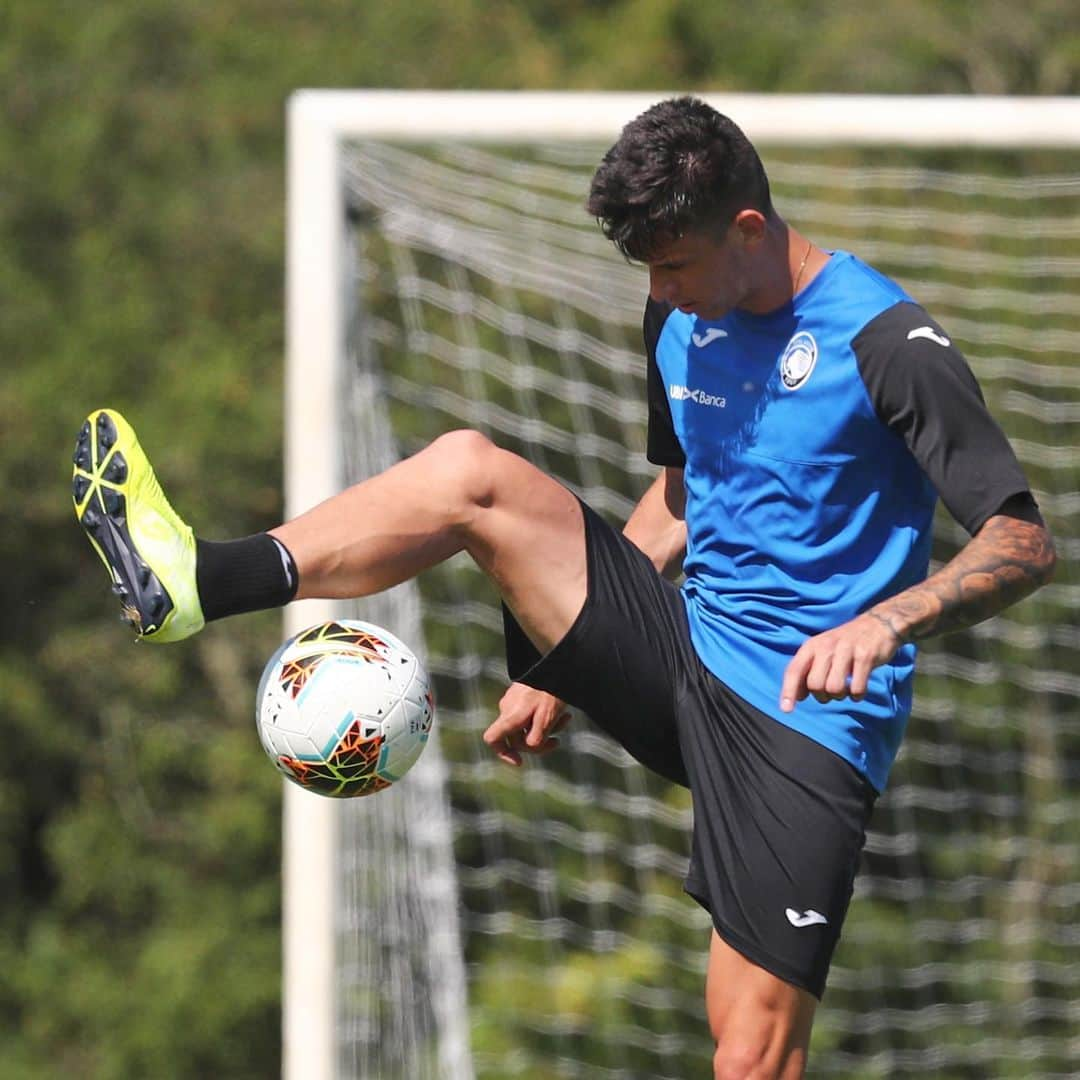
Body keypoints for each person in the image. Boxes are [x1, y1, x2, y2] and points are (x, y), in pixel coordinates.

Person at [72, 97, 1056, 1079]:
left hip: (804, 718)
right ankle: (198, 580)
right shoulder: (677, 314)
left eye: (676, 264)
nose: (661, 288)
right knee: (469, 474)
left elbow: (1021, 539)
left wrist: (894, 615)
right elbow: (683, 493)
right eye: (649, 271)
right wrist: (568, 653)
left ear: (748, 230)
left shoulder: (885, 342)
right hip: (684, 647)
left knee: (750, 1054)